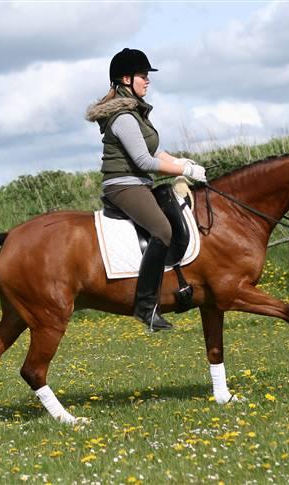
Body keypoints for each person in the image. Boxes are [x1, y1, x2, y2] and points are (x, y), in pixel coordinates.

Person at [85, 48, 208, 331]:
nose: (147, 81)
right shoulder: (125, 117)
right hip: (124, 185)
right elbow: (143, 161)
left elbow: (155, 151)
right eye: (142, 76)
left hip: (138, 182)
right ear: (125, 80)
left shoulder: (136, 112)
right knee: (162, 231)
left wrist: (180, 161)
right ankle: (145, 306)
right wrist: (184, 171)